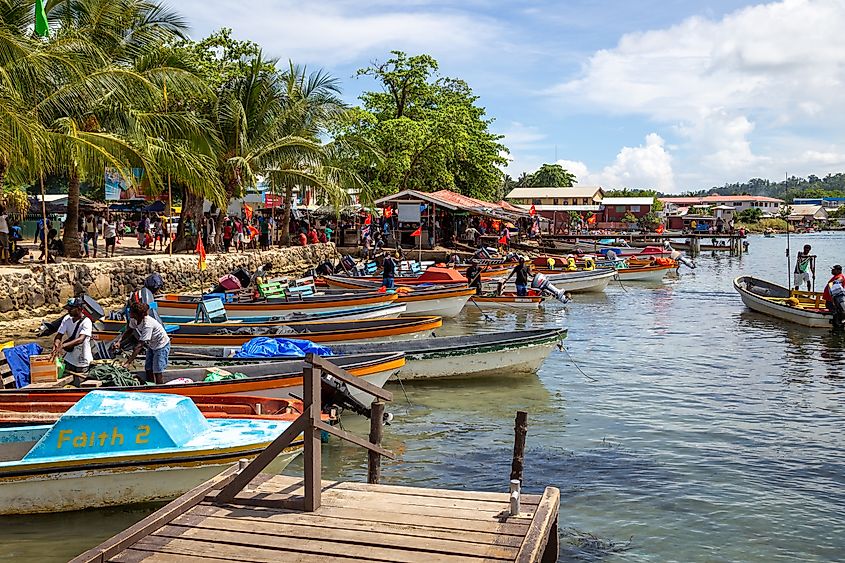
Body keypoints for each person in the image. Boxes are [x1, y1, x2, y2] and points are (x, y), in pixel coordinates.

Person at [118, 301, 171, 384]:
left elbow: (139, 345)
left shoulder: (148, 324)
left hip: (161, 345)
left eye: (131, 312)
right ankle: (150, 385)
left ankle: (159, 388)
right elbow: (129, 331)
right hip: (152, 344)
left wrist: (128, 362)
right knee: (148, 368)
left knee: (157, 371)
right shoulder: (134, 319)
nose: (129, 313)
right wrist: (119, 341)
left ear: (137, 314)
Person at [50, 297, 93, 385]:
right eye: (68, 309)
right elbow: (59, 335)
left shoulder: (87, 322)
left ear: (79, 309)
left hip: (82, 360)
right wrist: (56, 344)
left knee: (79, 385)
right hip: (69, 359)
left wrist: (62, 346)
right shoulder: (67, 319)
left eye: (71, 309)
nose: (69, 311)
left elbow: (80, 339)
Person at [823, 264, 845, 332]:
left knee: (835, 312)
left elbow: (840, 279)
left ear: (838, 270)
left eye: (833, 269)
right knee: (832, 310)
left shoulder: (840, 276)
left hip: (833, 300)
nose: (832, 270)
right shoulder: (835, 276)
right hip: (830, 300)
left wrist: (837, 281)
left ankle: (837, 326)